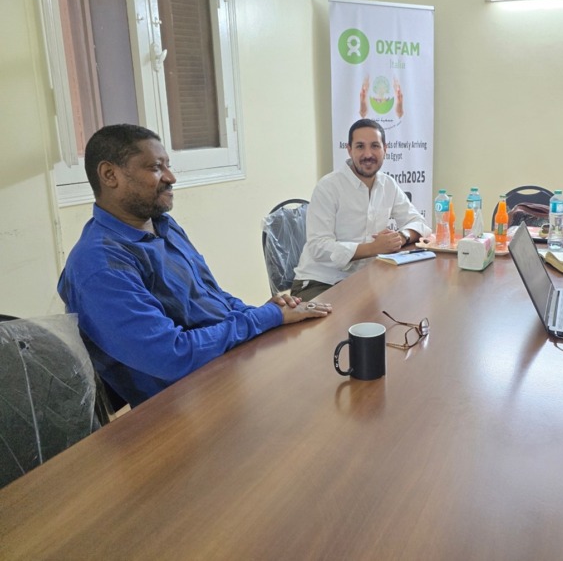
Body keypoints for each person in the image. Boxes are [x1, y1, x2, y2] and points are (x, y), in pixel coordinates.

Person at [58, 124, 332, 408]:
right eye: (155, 167)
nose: (171, 177)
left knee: (322, 372)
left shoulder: (163, 226)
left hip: (226, 368)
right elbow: (173, 355)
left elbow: (212, 297)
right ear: (109, 175)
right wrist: (264, 318)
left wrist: (269, 312)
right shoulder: (100, 264)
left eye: (168, 165)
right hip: (187, 407)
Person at [291, 119, 430, 300]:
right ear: (349, 150)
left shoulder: (388, 184)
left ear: (385, 149)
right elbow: (319, 247)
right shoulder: (328, 187)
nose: (368, 154)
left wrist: (400, 237)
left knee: (408, 300)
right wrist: (372, 248)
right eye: (360, 146)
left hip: (363, 279)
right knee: (350, 322)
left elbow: (420, 223)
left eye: (374, 146)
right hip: (320, 282)